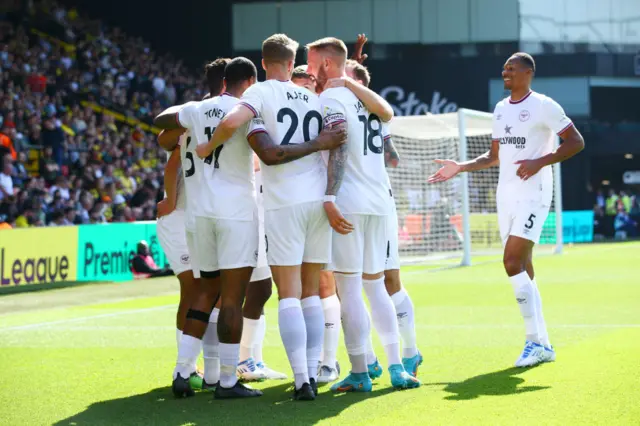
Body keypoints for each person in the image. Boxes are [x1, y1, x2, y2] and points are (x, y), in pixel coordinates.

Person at [196, 34, 347, 401]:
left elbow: (235, 120)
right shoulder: (315, 97)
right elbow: (337, 144)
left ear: (263, 63)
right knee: (313, 292)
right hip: (318, 199)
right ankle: (315, 371)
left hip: (283, 203)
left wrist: (209, 144)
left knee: (290, 296)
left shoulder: (259, 93)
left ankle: (301, 381)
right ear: (293, 59)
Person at [428, 52, 585, 367]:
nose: (505, 72)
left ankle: (532, 341)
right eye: (503, 68)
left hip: (535, 191)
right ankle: (543, 344)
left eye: (512, 68)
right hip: (506, 193)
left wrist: (540, 161)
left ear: (529, 72)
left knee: (511, 261)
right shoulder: (500, 109)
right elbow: (492, 156)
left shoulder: (544, 105)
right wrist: (459, 166)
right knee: (523, 266)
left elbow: (576, 142)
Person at [306, 36, 420, 392]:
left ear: (326, 63)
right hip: (380, 203)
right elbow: (387, 113)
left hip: (350, 202)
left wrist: (329, 195)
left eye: (310, 63)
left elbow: (338, 139)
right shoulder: (363, 97)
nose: (308, 70)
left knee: (350, 290)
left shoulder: (331, 98)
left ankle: (359, 371)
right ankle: (397, 366)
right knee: (375, 287)